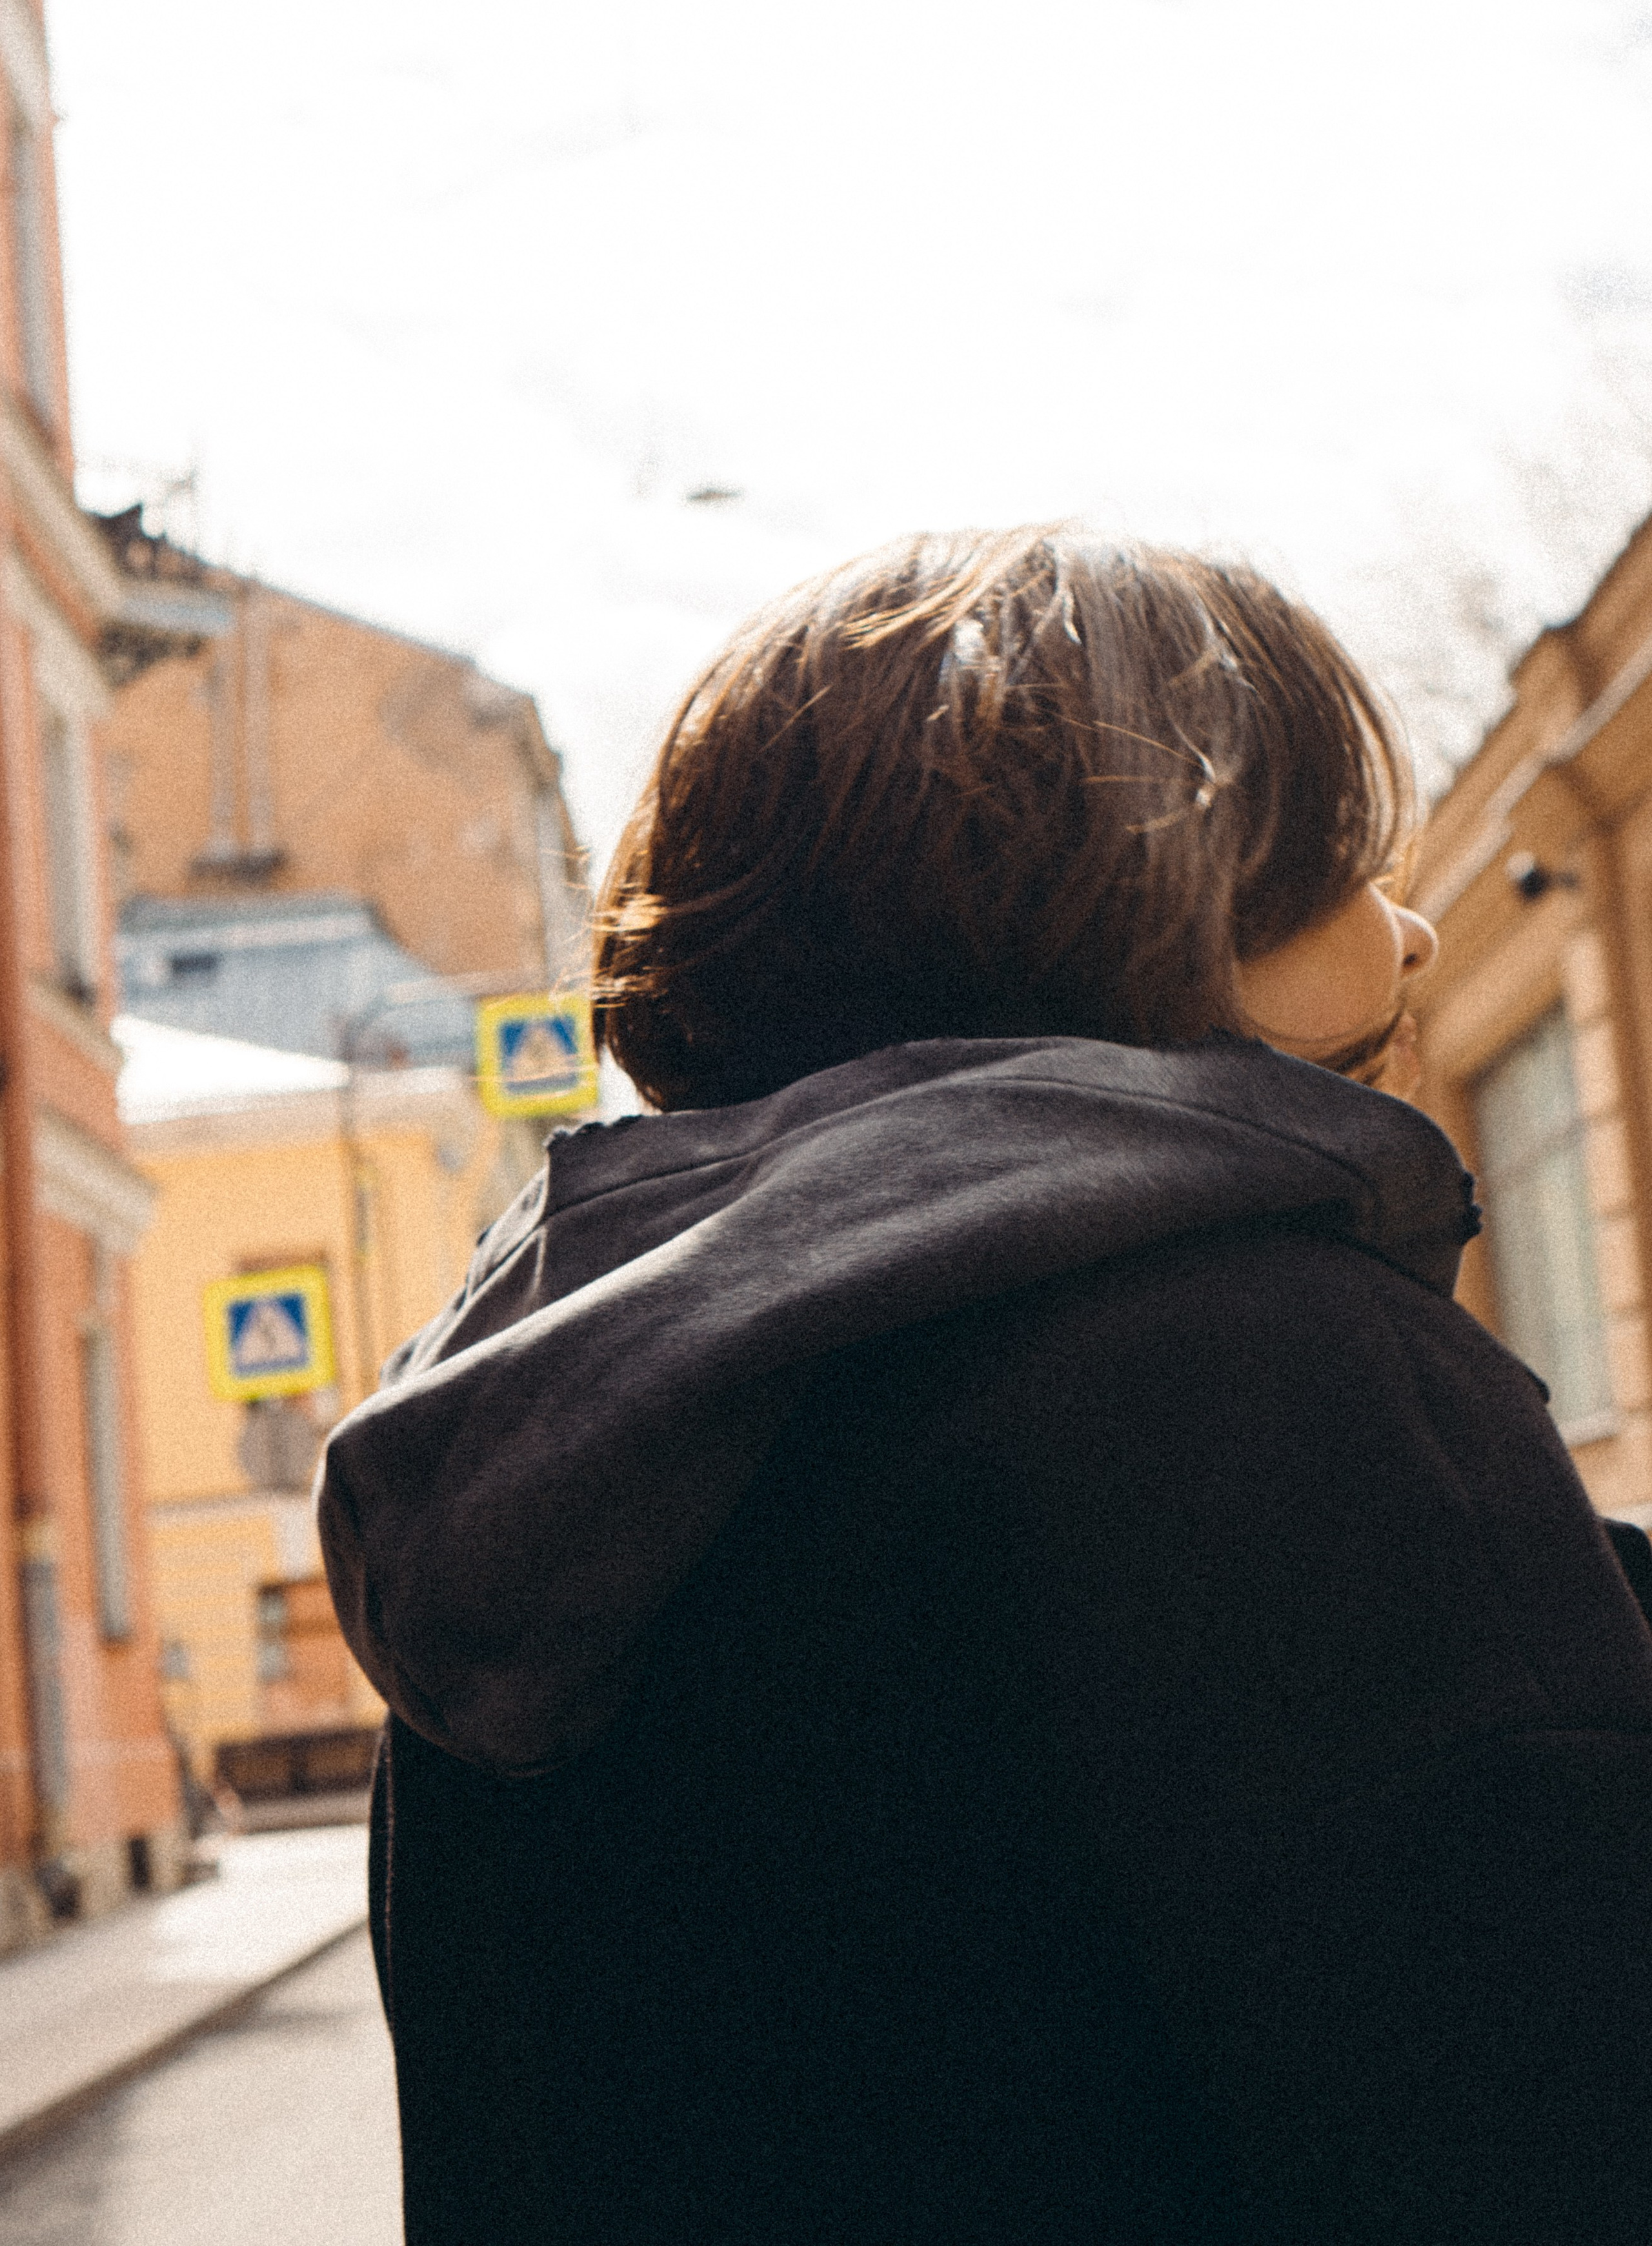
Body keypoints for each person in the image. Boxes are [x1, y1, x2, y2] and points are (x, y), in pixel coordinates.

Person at [320, 526, 1652, 2245]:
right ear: (1148, 900)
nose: (1408, 936)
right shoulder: (1279, 1371)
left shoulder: (549, 1474)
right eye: (1337, 863)